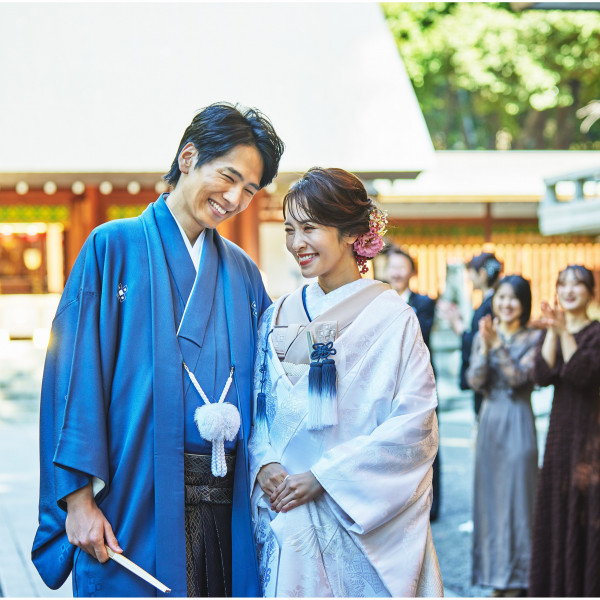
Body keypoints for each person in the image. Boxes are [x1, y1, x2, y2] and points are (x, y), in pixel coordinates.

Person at [31, 102, 284, 597]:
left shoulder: (243, 272)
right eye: (228, 177)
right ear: (188, 157)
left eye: (249, 191)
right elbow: (73, 379)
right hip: (134, 497)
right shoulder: (112, 247)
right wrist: (78, 502)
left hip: (223, 505)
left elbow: (270, 385)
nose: (233, 199)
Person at [248, 167, 443, 597]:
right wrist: (263, 461)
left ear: (352, 232)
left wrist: (326, 476)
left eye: (310, 228)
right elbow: (261, 405)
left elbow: (414, 424)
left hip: (354, 516)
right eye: (289, 229)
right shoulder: (278, 314)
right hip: (289, 514)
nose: (297, 243)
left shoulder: (394, 319)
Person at [528, 265, 600, 597]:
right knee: (556, 503)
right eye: (563, 284)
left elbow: (581, 374)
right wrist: (555, 332)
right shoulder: (555, 329)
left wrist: (563, 332)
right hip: (559, 432)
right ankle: (555, 586)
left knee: (586, 504)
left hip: (589, 432)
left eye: (578, 284)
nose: (569, 290)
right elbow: (541, 375)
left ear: (590, 292)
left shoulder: (596, 332)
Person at [466, 275, 540, 598]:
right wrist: (484, 346)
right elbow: (475, 380)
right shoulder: (484, 334)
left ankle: (521, 578)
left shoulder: (536, 336)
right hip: (490, 421)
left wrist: (496, 345)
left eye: (513, 298)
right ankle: (497, 576)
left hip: (518, 420)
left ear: (524, 303)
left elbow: (519, 380)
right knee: (491, 503)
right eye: (501, 298)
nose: (506, 304)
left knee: (519, 504)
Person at [385, 245, 441, 521]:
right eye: (391, 265)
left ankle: (432, 503)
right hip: (388, 378)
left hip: (419, 376)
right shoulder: (377, 300)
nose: (396, 271)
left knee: (425, 437)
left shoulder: (424, 302)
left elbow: (423, 333)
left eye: (401, 266)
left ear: (412, 271)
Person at [441, 252, 502, 417]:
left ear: (482, 274)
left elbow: (480, 341)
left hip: (489, 382)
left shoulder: (492, 305)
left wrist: (458, 327)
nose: (469, 279)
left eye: (472, 274)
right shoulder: (490, 302)